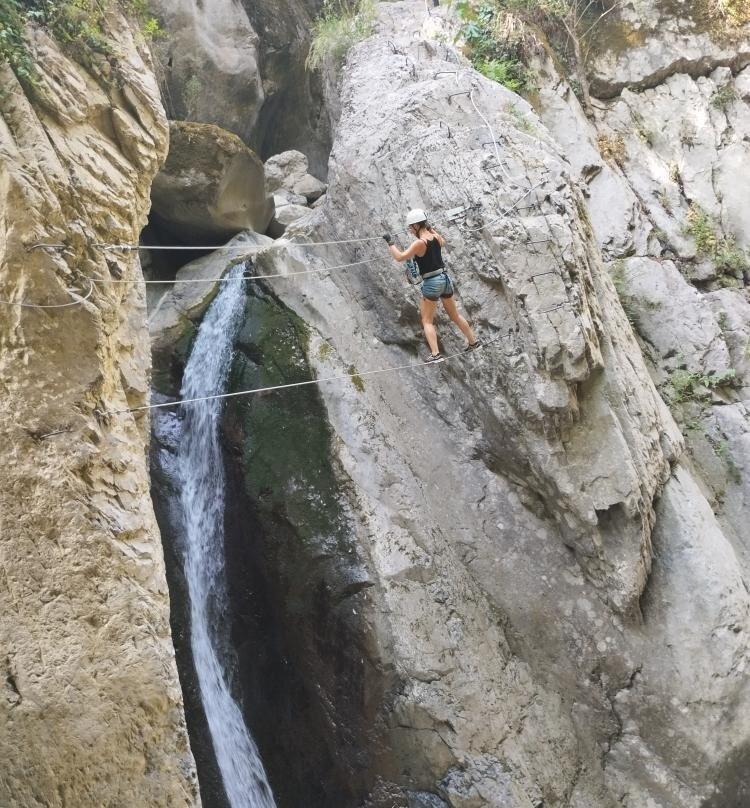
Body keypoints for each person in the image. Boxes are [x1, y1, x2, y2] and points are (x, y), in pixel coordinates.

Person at [384, 208, 480, 363]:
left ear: (416, 226)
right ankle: (473, 341)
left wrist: (390, 243)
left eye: (410, 227)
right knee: (454, 315)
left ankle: (435, 354)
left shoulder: (419, 243)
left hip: (432, 283)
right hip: (445, 279)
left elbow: (400, 257)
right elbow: (443, 241)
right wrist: (430, 228)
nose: (410, 230)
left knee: (427, 320)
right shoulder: (436, 237)